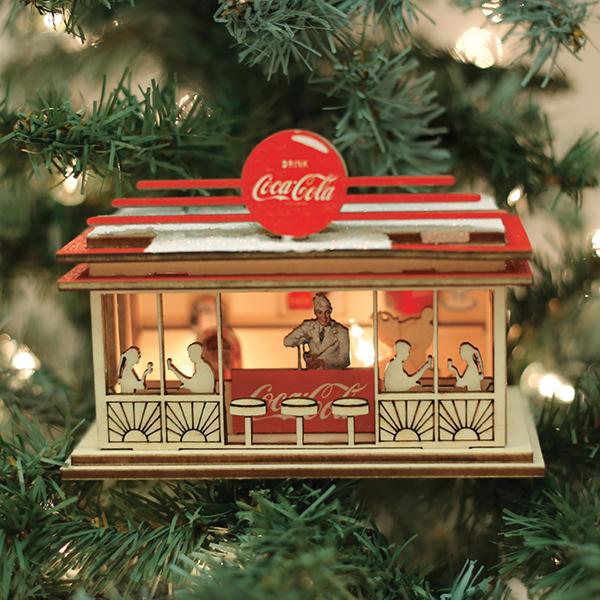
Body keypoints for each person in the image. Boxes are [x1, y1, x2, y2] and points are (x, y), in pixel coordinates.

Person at [283, 293, 350, 369]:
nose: (324, 317)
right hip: (312, 373)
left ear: (330, 312)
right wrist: (304, 339)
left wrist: (324, 363)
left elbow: (345, 360)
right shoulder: (309, 326)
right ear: (315, 313)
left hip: (331, 374)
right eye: (320, 312)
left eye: (327, 312)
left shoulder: (341, 331)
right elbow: (287, 341)